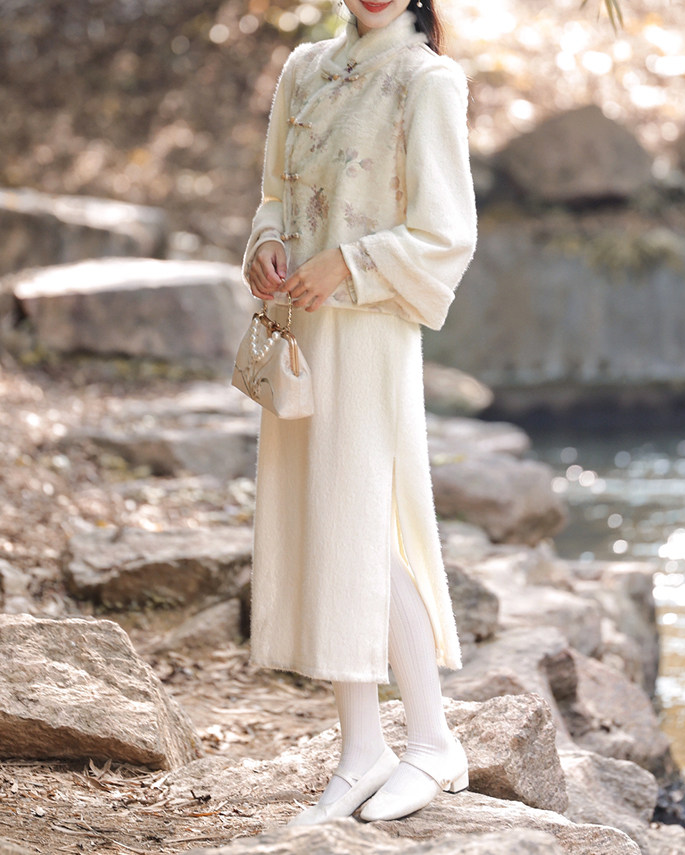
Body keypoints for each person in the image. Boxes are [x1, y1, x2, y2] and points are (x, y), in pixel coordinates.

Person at [242, 0, 477, 825]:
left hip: (369, 327)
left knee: (358, 524)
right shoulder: (304, 68)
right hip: (300, 326)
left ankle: (434, 742)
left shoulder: (427, 80)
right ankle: (363, 747)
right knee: (324, 521)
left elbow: (447, 233)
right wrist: (266, 243)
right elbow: (274, 194)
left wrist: (348, 262)